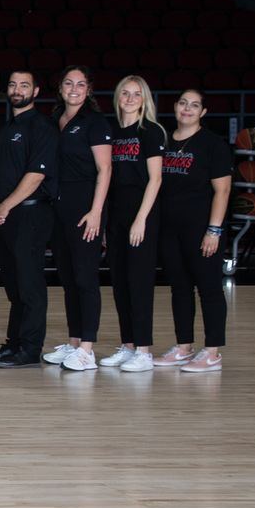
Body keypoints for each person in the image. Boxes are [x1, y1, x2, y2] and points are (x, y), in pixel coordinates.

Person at [0, 70, 61, 369]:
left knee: (29, 284)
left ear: (36, 90)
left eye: (24, 85)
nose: (17, 89)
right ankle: (14, 343)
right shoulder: (6, 128)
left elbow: (36, 175)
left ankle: (29, 349)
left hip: (30, 213)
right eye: (13, 84)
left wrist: (4, 207)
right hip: (6, 215)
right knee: (14, 285)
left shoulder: (42, 127)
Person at [155, 89, 232, 373]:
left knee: (209, 288)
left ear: (203, 112)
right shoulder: (163, 141)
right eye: (183, 103)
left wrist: (213, 230)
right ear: (175, 107)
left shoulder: (213, 144)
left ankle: (211, 352)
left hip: (201, 228)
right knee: (180, 289)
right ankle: (184, 347)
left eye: (194, 105)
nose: (187, 109)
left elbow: (222, 191)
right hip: (169, 228)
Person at [45, 67, 113, 372]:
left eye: (80, 84)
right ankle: (73, 342)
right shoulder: (55, 120)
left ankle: (87, 348)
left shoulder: (94, 122)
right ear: (60, 88)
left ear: (89, 90)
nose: (74, 88)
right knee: (69, 279)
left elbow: (105, 169)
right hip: (59, 209)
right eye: (68, 83)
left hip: (85, 208)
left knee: (86, 279)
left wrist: (96, 211)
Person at [97, 75, 166, 374]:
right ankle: (127, 346)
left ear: (144, 98)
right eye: (124, 93)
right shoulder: (110, 130)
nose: (129, 98)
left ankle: (144, 350)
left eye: (136, 94)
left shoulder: (150, 131)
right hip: (116, 215)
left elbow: (156, 179)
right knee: (120, 283)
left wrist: (141, 219)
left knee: (139, 283)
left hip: (142, 215)